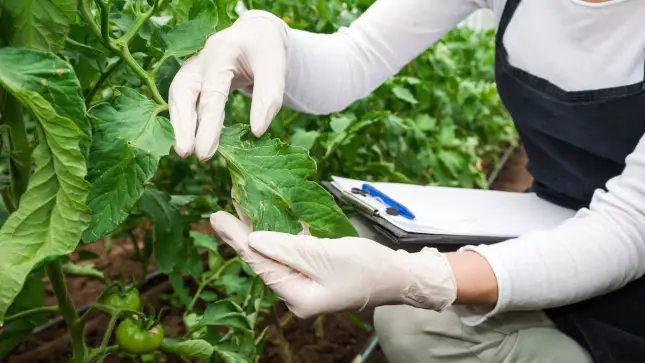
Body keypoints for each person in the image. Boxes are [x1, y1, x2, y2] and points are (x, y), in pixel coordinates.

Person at [168, 1, 645, 362]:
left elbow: (628, 229)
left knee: (412, 306)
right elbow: (356, 56)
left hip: (629, 258)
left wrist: (422, 277)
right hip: (552, 219)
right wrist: (268, 42)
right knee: (372, 270)